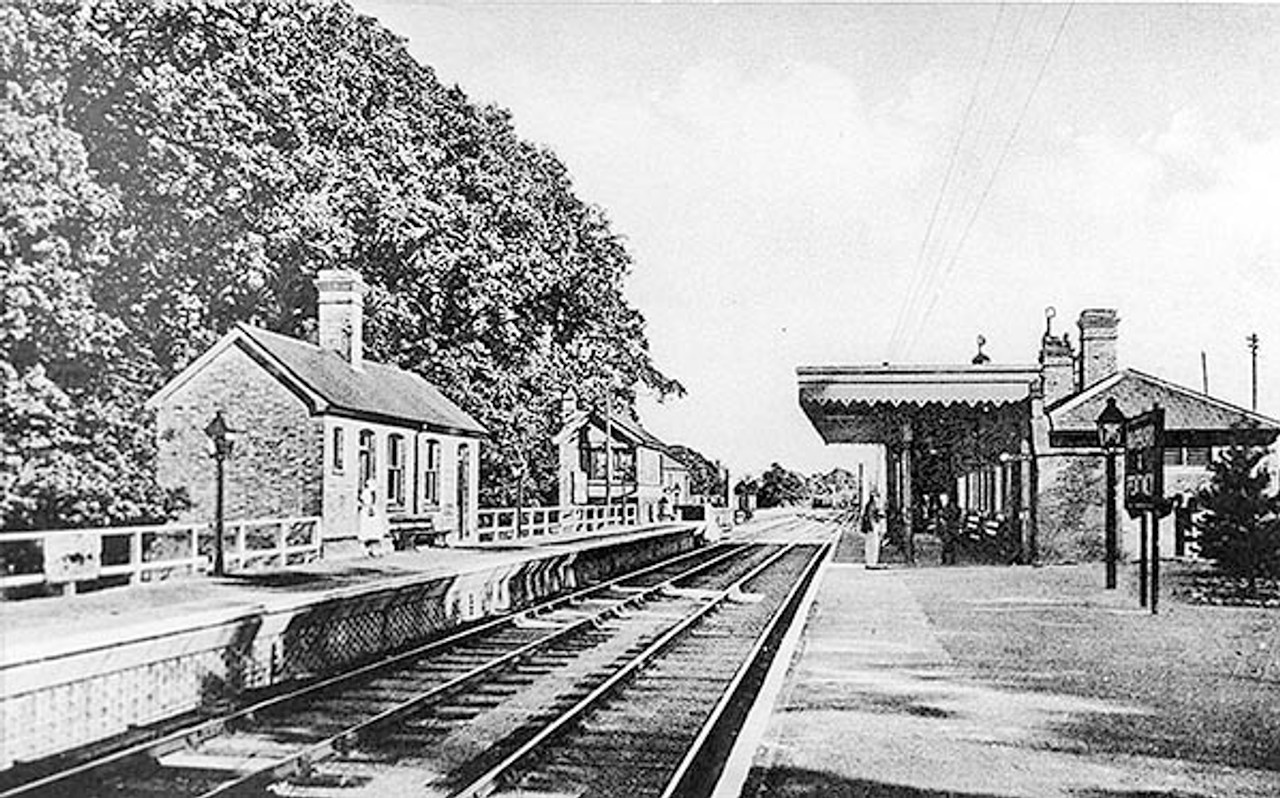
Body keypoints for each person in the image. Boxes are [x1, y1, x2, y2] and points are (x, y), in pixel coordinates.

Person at [358, 479, 390, 556]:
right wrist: (369, 507)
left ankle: (374, 548)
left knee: (374, 529)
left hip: (372, 512)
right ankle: (366, 548)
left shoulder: (374, 494)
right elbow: (365, 502)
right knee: (367, 528)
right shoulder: (366, 493)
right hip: (367, 512)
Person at [861, 490, 883, 569]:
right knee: (873, 545)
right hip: (872, 528)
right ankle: (872, 562)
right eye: (877, 497)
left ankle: (870, 562)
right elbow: (871, 517)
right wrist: (875, 526)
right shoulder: (873, 506)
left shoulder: (869, 505)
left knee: (869, 545)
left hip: (869, 528)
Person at [940, 493, 961, 565]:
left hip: (951, 529)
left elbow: (952, 516)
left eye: (943, 500)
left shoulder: (950, 507)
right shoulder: (946, 507)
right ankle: (946, 560)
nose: (942, 502)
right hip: (948, 529)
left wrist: (944, 517)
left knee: (948, 543)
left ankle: (948, 560)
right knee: (946, 543)